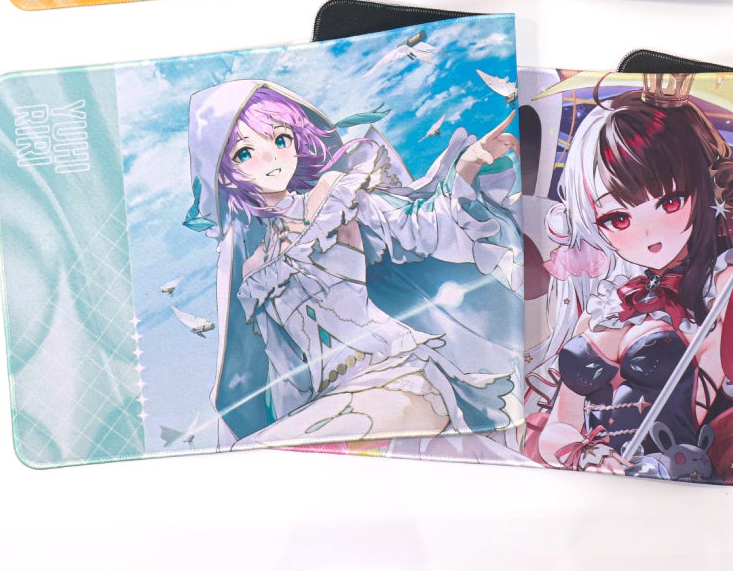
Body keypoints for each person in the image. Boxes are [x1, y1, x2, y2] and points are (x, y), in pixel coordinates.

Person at [181, 80, 522, 446]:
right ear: (223, 175)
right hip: (331, 398)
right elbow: (288, 373)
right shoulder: (256, 271)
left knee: (259, 449)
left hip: (401, 371)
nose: (271, 158)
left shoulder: (337, 198)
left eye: (280, 139)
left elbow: (422, 231)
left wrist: (467, 167)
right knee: (259, 449)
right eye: (245, 153)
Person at [529, 77, 733, 482]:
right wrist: (585, 455)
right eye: (617, 218)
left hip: (678, 472)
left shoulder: (724, 286)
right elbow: (559, 427)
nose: (648, 235)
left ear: (704, 189)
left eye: (671, 201)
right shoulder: (608, 306)